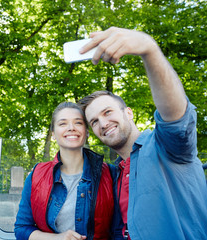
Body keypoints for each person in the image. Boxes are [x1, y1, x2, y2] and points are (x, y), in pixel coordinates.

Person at [78, 27, 207, 239]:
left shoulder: (166, 146)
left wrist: (150, 50)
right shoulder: (114, 175)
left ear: (128, 112)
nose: (103, 123)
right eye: (94, 121)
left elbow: (176, 116)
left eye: (108, 112)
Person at [14, 102, 123, 240]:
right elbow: (22, 229)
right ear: (53, 134)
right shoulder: (36, 174)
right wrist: (58, 238)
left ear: (87, 131)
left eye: (78, 123)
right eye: (63, 124)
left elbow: (119, 231)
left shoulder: (111, 174)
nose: (71, 128)